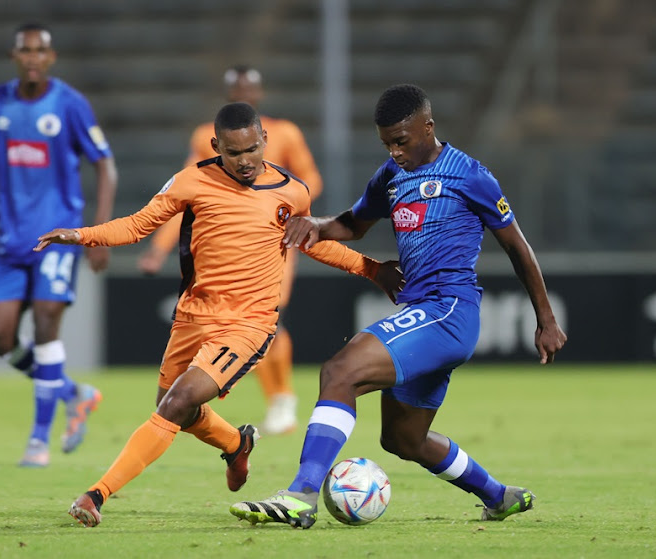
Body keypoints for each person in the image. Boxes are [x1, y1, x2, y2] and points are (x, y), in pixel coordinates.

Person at [34, 102, 402, 528]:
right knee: (174, 408)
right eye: (233, 152)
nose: (245, 161)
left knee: (177, 403)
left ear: (264, 139)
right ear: (216, 146)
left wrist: (371, 269)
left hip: (248, 322)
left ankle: (97, 493)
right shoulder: (193, 180)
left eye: (251, 149)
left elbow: (313, 242)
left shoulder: (292, 191)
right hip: (193, 313)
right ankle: (236, 442)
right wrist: (81, 235)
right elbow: (138, 225)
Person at [230, 84, 568, 529]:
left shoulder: (469, 175)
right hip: (425, 311)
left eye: (402, 141)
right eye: (387, 142)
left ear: (428, 127)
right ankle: (497, 495)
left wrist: (546, 319)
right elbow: (354, 224)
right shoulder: (391, 174)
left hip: (448, 310)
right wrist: (315, 225)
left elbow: (517, 247)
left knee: (339, 372)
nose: (395, 151)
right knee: (404, 439)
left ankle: (302, 493)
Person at [0, 23, 118, 468]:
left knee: (47, 323)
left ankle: (38, 441)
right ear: (14, 56)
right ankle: (73, 393)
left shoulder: (69, 103)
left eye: (39, 51)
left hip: (57, 238)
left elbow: (106, 166)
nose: (31, 57)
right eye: (24, 50)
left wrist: (98, 231)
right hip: (9, 241)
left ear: (51, 57)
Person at [137, 65, 323, 436]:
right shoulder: (207, 136)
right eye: (235, 88)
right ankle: (271, 402)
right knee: (240, 327)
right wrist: (159, 247)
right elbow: (186, 197)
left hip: (272, 243)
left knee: (271, 318)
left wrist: (283, 212)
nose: (242, 94)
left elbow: (311, 179)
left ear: (259, 93)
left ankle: (283, 399)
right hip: (223, 247)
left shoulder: (284, 133)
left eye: (248, 88)